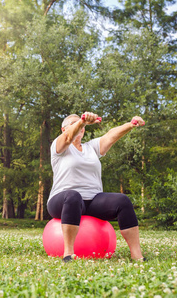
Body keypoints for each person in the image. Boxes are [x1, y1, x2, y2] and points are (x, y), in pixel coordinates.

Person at [48, 112, 146, 263]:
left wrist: (130, 124)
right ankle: (68, 254)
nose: (79, 126)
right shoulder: (59, 147)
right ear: (63, 129)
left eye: (81, 126)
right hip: (62, 200)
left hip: (92, 200)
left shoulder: (91, 148)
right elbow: (69, 137)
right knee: (73, 196)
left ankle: (137, 254)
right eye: (73, 124)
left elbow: (110, 135)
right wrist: (82, 121)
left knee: (122, 200)